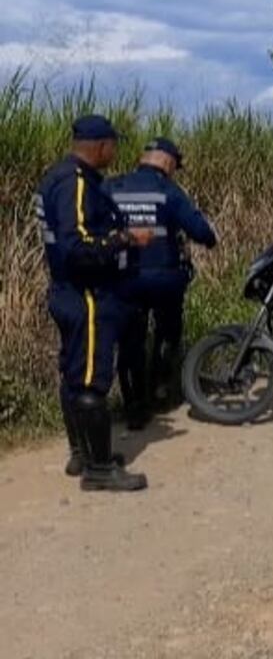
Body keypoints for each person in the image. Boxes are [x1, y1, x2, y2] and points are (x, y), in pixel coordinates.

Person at [35, 115, 150, 491]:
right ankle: (98, 470)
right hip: (85, 294)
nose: (115, 153)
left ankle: (83, 454)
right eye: (113, 145)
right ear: (101, 146)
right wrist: (125, 239)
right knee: (89, 382)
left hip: (67, 291)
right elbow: (77, 247)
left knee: (73, 374)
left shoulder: (57, 177)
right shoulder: (76, 182)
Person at [107, 137, 217, 429]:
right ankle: (160, 389)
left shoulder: (112, 187)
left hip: (125, 278)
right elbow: (202, 232)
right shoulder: (168, 190)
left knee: (130, 343)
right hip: (164, 279)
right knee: (168, 331)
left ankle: (134, 408)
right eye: (174, 167)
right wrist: (209, 237)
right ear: (167, 162)